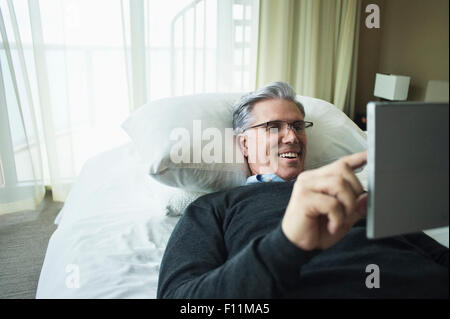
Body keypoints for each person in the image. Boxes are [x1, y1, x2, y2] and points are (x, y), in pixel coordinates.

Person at [157, 82, 448, 298]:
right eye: (273, 126)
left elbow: (435, 255)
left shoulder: (351, 191)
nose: (292, 136)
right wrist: (286, 245)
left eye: (298, 125)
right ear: (244, 144)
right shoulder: (214, 207)